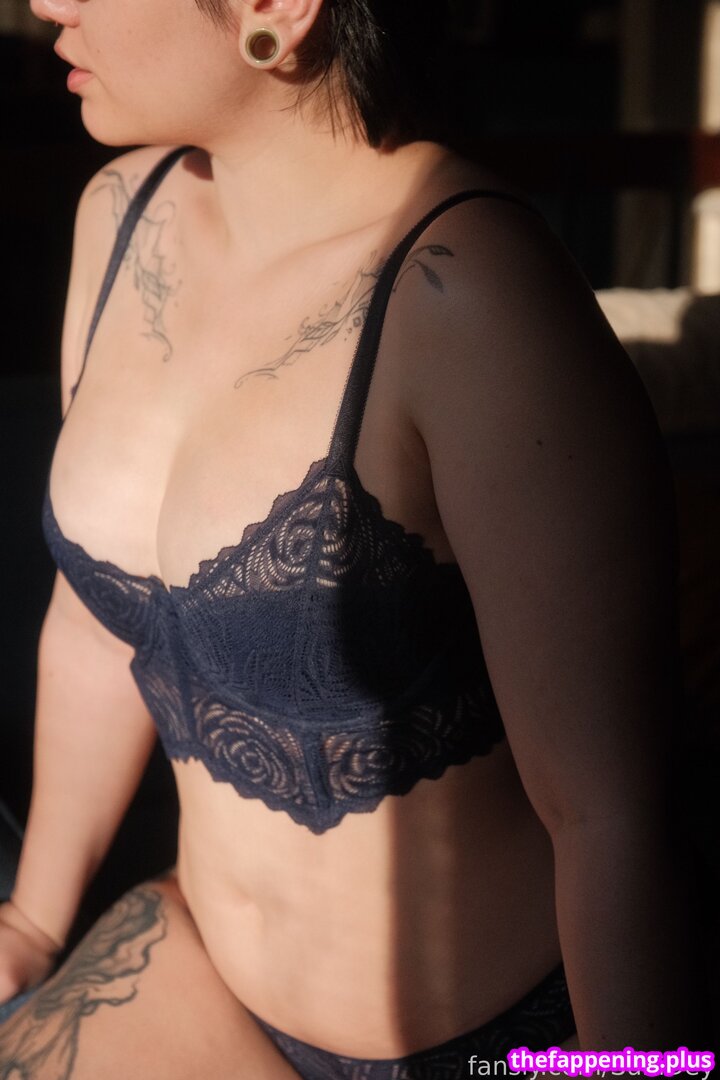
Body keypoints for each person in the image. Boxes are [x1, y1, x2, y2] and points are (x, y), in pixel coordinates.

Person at [0, 0, 700, 1075]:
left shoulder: (469, 295)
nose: (51, 1)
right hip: (211, 975)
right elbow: (98, 634)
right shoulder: (122, 216)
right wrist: (34, 922)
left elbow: (611, 812)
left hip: (509, 1040)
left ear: (277, 7)